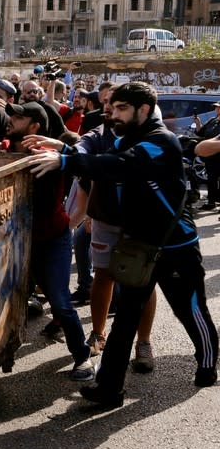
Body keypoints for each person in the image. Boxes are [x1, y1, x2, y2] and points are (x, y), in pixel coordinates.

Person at [28, 82, 219, 407]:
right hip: (139, 247)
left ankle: (207, 365)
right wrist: (66, 151)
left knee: (191, 310)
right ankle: (109, 389)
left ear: (143, 111)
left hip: (175, 248)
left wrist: (64, 161)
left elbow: (116, 165)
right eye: (110, 108)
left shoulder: (160, 142)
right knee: (126, 318)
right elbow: (99, 154)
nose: (111, 114)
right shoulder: (126, 138)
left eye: (120, 109)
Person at [0, 102, 95, 381]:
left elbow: (86, 174)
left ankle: (83, 357)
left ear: (35, 127)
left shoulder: (46, 156)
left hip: (50, 240)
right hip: (10, 241)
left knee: (59, 300)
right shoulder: (6, 148)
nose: (11, 119)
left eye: (19, 117)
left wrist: (79, 219)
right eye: (12, 115)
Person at [193, 101, 220, 210]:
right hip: (210, 155)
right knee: (211, 179)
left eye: (219, 108)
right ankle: (211, 202)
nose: (217, 109)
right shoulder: (212, 121)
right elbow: (200, 133)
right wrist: (198, 123)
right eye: (216, 108)